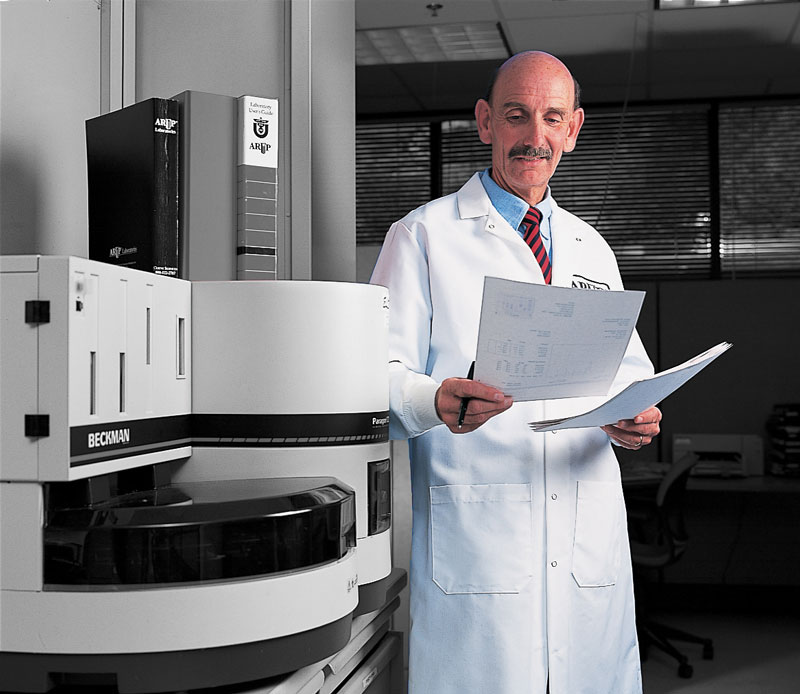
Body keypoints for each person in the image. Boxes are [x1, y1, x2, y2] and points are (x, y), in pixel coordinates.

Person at [369, 51, 662, 693]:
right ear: (484, 122)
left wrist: (637, 416)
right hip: (478, 541)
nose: (536, 137)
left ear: (574, 128)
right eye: (516, 116)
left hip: (586, 540)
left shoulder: (591, 247)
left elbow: (627, 375)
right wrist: (433, 398)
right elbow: (372, 376)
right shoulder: (423, 237)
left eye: (552, 118)